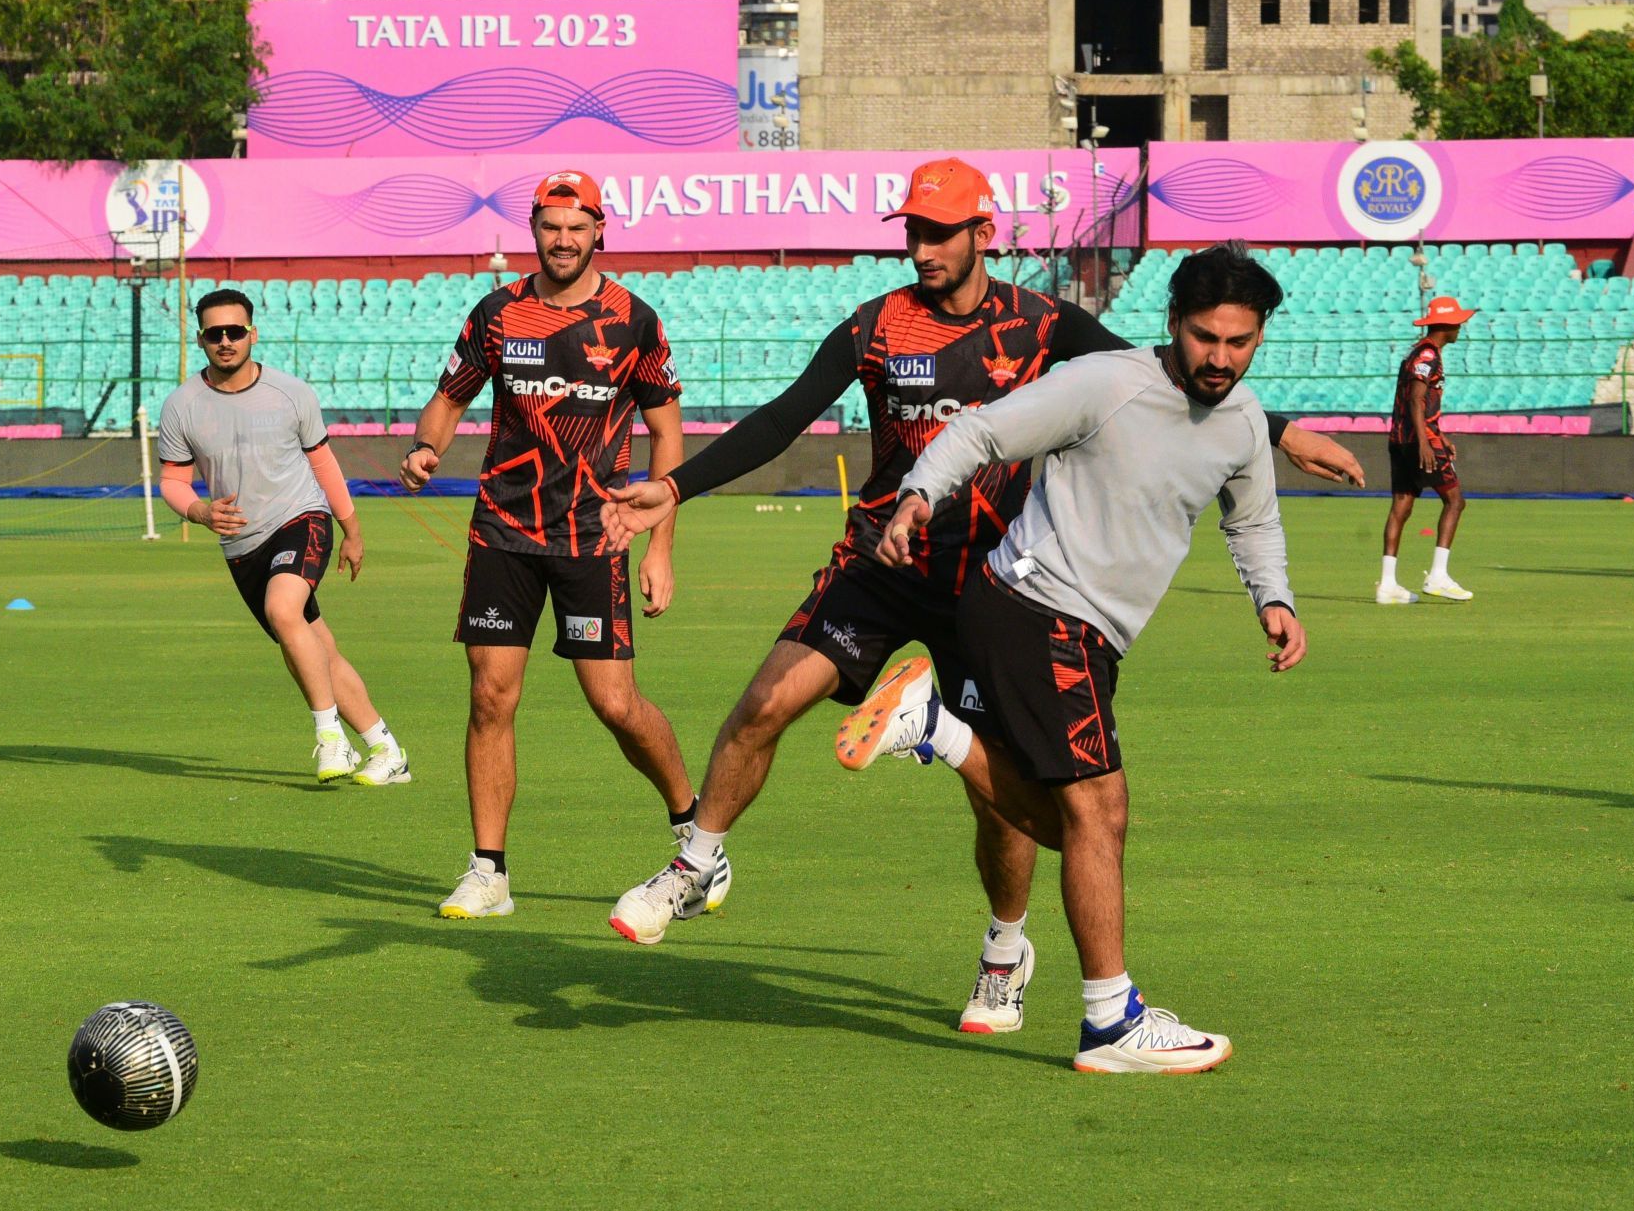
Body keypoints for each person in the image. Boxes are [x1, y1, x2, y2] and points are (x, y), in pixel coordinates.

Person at [600, 158, 1353, 1035]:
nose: (920, 247)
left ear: (982, 235)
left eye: (938, 232)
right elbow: (783, 416)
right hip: (883, 559)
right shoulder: (877, 324)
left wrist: (1280, 429)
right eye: (912, 230)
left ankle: (1004, 950)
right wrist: (678, 489)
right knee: (767, 699)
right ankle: (699, 861)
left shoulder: (1042, 323)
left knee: (999, 796)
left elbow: (1165, 377)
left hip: (992, 578)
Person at [839, 240, 1303, 1074]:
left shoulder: (1242, 422)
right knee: (1101, 811)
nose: (1220, 358)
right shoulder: (1110, 383)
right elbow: (982, 430)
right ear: (1173, 324)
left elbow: (1252, 519)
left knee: (1063, 820)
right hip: (1043, 610)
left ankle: (934, 729)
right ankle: (1110, 1020)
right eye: (1205, 338)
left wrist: (1274, 598)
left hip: (1070, 628)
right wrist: (917, 496)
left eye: (1239, 342)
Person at [398, 170, 723, 920]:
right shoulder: (498, 312)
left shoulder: (633, 320)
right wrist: (425, 446)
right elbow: (449, 397)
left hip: (594, 534)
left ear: (600, 230)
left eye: (578, 227)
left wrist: (659, 546)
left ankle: (693, 829)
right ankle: (489, 871)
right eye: (551, 225)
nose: (564, 239)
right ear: (534, 229)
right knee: (489, 695)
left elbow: (668, 433)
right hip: (503, 531)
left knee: (614, 703)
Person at [157, 288, 408, 787]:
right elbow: (172, 480)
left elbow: (324, 465)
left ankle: (329, 737)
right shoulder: (181, 406)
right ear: (201, 339)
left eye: (235, 331)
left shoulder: (292, 392)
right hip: (241, 544)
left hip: (301, 518)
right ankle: (386, 749)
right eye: (215, 334)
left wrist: (352, 529)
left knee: (283, 610)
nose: (226, 341)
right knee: (316, 648)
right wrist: (200, 511)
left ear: (253, 333)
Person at [1379, 295, 1475, 605]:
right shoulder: (1427, 355)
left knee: (1401, 508)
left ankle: (1388, 585)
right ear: (1446, 325)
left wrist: (1439, 432)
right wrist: (1425, 441)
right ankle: (1438, 576)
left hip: (1402, 439)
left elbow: (1418, 402)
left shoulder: (1418, 353)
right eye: (1458, 321)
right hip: (1418, 442)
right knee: (1455, 501)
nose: (1461, 326)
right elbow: (1416, 399)